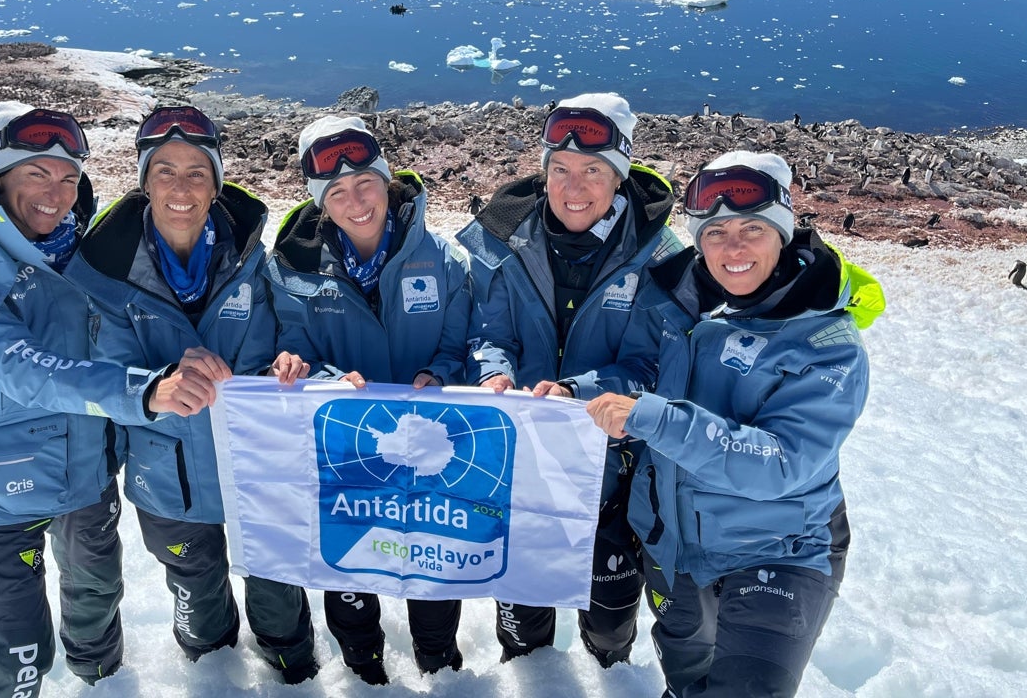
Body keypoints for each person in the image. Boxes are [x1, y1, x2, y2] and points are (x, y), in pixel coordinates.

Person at [0, 103, 225, 698]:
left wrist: (176, 364)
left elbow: (115, 343)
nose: (55, 193)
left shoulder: (84, 254)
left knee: (97, 611)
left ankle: (102, 684)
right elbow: (17, 368)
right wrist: (144, 390)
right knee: (15, 655)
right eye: (37, 173)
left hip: (86, 476)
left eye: (68, 177)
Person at [587, 150, 881, 697]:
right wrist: (577, 392)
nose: (734, 247)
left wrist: (653, 418)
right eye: (716, 231)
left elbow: (781, 463)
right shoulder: (677, 301)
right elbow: (642, 373)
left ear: (783, 233)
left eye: (753, 228)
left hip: (779, 549)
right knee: (687, 676)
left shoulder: (826, 342)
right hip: (671, 543)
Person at [63, 105, 318, 684]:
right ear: (144, 181)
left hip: (262, 467)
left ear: (217, 181)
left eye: (197, 172)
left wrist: (295, 359)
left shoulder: (255, 257)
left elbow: (297, 326)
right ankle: (211, 666)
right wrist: (158, 381)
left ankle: (293, 662)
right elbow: (91, 372)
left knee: (278, 587)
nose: (181, 188)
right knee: (198, 598)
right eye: (165, 172)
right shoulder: (99, 272)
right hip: (168, 479)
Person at [455, 92, 684, 668]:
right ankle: (528, 668)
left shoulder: (660, 255)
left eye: (592, 171)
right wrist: (494, 377)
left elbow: (651, 366)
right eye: (560, 169)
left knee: (609, 624)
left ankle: (611, 666)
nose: (573, 187)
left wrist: (576, 393)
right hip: (520, 464)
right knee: (523, 620)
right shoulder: (504, 239)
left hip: (613, 470)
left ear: (620, 176)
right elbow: (489, 334)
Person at [266, 115, 471, 684]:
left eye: (366, 184)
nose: (356, 202)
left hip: (430, 446)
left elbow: (460, 346)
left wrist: (437, 373)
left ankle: (438, 661)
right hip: (347, 448)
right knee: (351, 560)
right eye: (336, 192)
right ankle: (363, 666)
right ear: (320, 202)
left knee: (430, 558)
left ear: (389, 183)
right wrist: (323, 374)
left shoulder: (446, 259)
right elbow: (293, 346)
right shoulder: (294, 268)